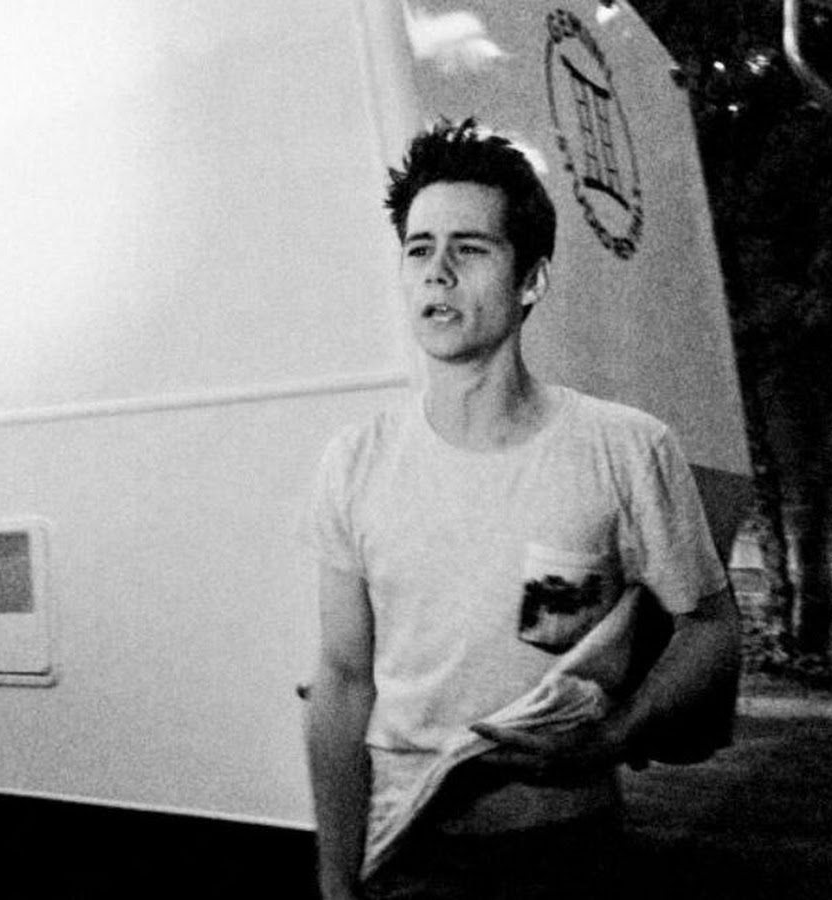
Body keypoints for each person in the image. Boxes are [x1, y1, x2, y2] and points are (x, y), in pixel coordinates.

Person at [306, 117, 741, 900]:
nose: (438, 272)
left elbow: (711, 627)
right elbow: (342, 681)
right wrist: (336, 879)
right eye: (419, 249)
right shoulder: (355, 461)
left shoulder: (625, 447)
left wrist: (616, 735)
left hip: (568, 851)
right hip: (407, 857)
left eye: (469, 249)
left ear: (531, 279)